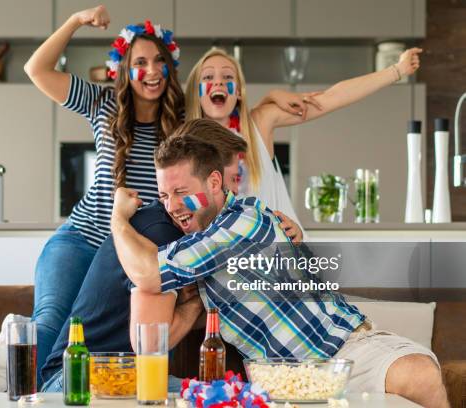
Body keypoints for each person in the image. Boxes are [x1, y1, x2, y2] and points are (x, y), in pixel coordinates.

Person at [111, 130, 449, 407]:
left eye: (181, 192)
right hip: (283, 380)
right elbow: (154, 336)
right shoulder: (198, 252)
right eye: (163, 196)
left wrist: (117, 218)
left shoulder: (243, 221)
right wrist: (197, 297)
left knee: (420, 374)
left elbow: (147, 274)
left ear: (214, 183)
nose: (171, 207)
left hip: (342, 349)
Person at [23, 4, 184, 381]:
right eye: (140, 62)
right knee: (49, 323)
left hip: (125, 256)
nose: (152, 71)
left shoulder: (182, 122)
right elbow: (37, 70)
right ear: (124, 69)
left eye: (160, 61)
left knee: (105, 340)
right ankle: (23, 398)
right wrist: (76, 20)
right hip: (81, 239)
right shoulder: (103, 103)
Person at [39, 119, 247, 391]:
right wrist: (197, 302)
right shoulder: (160, 232)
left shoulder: (201, 235)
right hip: (76, 378)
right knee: (216, 397)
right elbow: (149, 343)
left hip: (114, 373)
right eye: (165, 195)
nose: (235, 189)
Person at [185, 47, 423, 238]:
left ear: (238, 91)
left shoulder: (260, 122)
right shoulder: (186, 147)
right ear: (197, 91)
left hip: (279, 258)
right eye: (208, 77)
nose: (217, 83)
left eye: (228, 77)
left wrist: (397, 70)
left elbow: (332, 98)